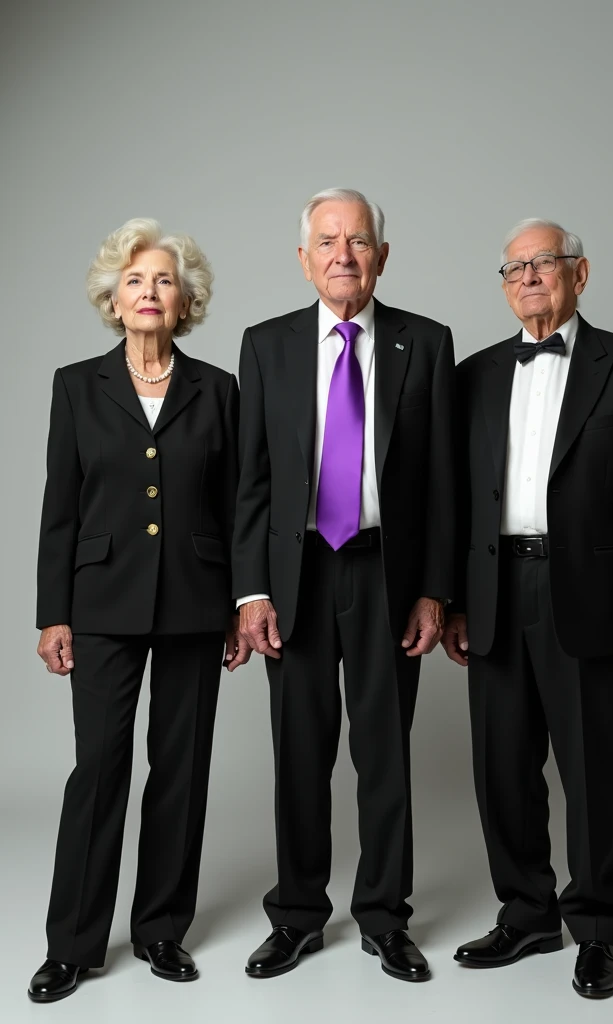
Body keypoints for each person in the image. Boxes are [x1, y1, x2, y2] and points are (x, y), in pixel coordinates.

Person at [442, 218, 613, 998]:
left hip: (592, 598)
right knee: (501, 767)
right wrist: (453, 600)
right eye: (514, 267)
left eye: (544, 263)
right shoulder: (473, 375)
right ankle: (528, 911)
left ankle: (600, 927)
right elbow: (456, 501)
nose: (530, 277)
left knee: (590, 767)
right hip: (495, 592)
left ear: (580, 272)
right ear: (504, 285)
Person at [233, 188, 456, 982]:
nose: (343, 255)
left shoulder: (424, 343)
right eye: (327, 241)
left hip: (386, 573)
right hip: (295, 577)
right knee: (300, 754)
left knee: (385, 754)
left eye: (358, 241)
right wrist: (249, 591)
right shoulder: (266, 346)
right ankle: (296, 916)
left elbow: (442, 482)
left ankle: (384, 918)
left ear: (382, 257)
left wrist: (437, 589)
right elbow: (250, 483)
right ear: (303, 259)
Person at [28, 218, 249, 1003]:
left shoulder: (218, 389)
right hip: (102, 601)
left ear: (184, 299)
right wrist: (55, 612)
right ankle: (74, 943)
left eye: (162, 280)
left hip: (196, 598)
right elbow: (61, 507)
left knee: (181, 771)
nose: (148, 292)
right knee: (100, 770)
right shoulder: (74, 385)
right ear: (113, 299)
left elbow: (235, 507)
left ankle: (161, 930)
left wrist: (239, 603)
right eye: (134, 280)